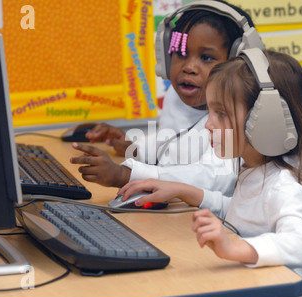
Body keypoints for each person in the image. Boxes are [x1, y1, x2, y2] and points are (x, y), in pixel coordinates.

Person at [119, 49, 302, 297]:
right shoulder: (255, 170)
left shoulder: (285, 187)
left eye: (222, 114)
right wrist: (184, 191)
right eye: (211, 112)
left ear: (264, 121)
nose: (209, 124)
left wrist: (233, 247)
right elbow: (244, 213)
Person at [69, 1, 261, 198]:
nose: (189, 67)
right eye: (181, 53)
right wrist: (134, 147)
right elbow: (172, 145)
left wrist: (127, 175)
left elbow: (216, 177)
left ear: (239, 62)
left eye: (206, 57)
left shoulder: (237, 116)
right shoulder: (177, 98)